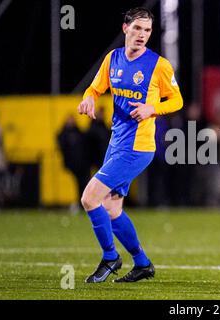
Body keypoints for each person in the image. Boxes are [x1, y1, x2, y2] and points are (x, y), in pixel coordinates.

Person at [77, 7, 183, 283]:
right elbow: (95, 88)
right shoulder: (112, 59)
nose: (142, 35)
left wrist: (152, 109)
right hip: (117, 142)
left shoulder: (159, 65)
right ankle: (143, 263)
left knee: (89, 198)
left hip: (138, 147)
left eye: (147, 30)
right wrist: (88, 97)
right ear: (125, 28)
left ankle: (110, 256)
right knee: (112, 209)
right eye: (137, 28)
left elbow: (177, 100)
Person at [57, 115, 91, 212]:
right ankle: (82, 203)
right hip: (74, 165)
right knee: (80, 184)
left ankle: (84, 204)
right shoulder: (65, 134)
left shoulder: (79, 133)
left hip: (82, 164)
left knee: (84, 184)